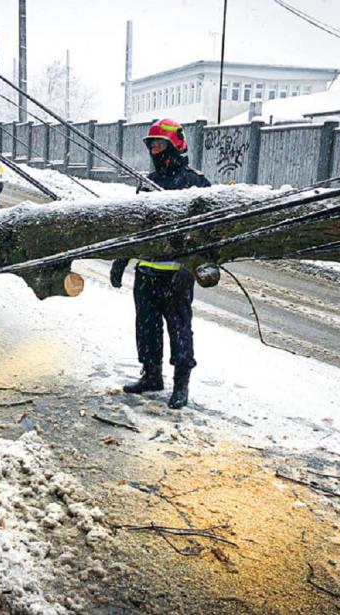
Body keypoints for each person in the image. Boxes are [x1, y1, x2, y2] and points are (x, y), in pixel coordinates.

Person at [110, 119, 210, 409]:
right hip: (146, 274)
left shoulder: (195, 183)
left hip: (176, 278)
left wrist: (189, 268)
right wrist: (121, 260)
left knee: (179, 330)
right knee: (146, 327)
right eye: (151, 144)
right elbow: (135, 227)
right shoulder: (148, 184)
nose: (154, 149)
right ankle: (152, 375)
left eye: (159, 143)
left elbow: (207, 233)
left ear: (174, 145)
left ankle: (181, 384)